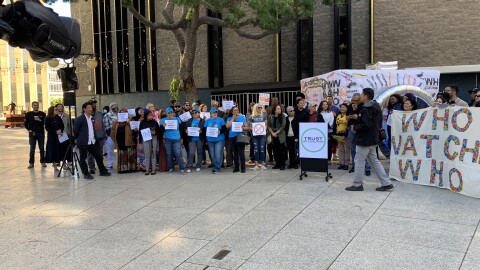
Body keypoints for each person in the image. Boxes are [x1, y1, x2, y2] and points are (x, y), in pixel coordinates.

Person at [346, 88, 393, 192]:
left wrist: (355, 127)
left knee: (359, 161)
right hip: (373, 139)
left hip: (364, 140)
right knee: (374, 161)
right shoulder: (376, 106)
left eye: (362, 94)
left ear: (366, 96)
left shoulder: (366, 108)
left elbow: (366, 125)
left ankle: (357, 184)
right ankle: (386, 182)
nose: (361, 96)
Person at [73, 102, 111, 180]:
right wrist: (79, 139)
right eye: (89, 107)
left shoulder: (92, 118)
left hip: (93, 141)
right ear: (84, 109)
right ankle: (86, 173)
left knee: (99, 156)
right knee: (83, 158)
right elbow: (75, 131)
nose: (91, 109)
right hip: (83, 142)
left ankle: (102, 171)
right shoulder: (80, 119)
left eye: (91, 107)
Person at [346, 94, 371, 175]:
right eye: (353, 100)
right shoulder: (350, 106)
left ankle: (367, 168)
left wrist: (356, 115)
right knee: (353, 150)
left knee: (362, 151)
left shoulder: (363, 107)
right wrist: (350, 116)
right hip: (351, 130)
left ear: (360, 100)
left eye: (356, 100)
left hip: (360, 131)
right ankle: (354, 166)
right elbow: (346, 117)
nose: (354, 102)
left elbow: (364, 119)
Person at [110, 108, 137, 173]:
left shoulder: (131, 120)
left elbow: (135, 130)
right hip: (120, 141)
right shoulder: (116, 122)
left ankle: (130, 168)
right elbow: (112, 132)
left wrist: (129, 123)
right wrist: (115, 139)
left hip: (129, 141)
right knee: (122, 155)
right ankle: (122, 169)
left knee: (129, 154)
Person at [160, 107, 185, 174]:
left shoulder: (177, 119)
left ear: (173, 113)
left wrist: (181, 138)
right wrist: (163, 127)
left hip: (177, 139)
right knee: (169, 154)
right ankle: (171, 168)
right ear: (166, 113)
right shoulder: (163, 120)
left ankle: (181, 168)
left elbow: (181, 129)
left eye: (171, 112)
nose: (170, 114)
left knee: (178, 154)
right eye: (168, 113)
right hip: (168, 140)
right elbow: (160, 131)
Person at [226, 106, 249, 173]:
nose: (236, 111)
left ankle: (243, 167)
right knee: (235, 152)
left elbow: (247, 127)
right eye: (234, 110)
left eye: (237, 110)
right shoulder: (229, 118)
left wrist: (243, 128)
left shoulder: (242, 118)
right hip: (232, 137)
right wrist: (233, 119)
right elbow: (227, 126)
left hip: (240, 136)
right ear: (232, 112)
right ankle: (236, 167)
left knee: (241, 152)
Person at [24, 101, 47, 168]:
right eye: (34, 105)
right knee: (32, 149)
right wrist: (29, 129)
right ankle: (31, 163)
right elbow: (25, 124)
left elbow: (45, 123)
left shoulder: (42, 114)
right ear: (32, 106)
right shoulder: (28, 114)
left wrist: (39, 120)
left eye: (37, 105)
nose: (36, 106)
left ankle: (43, 162)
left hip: (40, 133)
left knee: (42, 148)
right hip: (32, 133)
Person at [204, 108, 226, 174]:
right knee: (212, 155)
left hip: (219, 139)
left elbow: (224, 129)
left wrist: (220, 131)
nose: (214, 114)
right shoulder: (207, 121)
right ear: (210, 114)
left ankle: (217, 168)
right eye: (213, 113)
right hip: (210, 140)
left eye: (215, 112)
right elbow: (205, 130)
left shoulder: (221, 120)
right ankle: (216, 166)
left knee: (218, 154)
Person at [87, 100, 107, 174]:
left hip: (100, 136)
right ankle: (91, 167)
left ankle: (101, 166)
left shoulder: (99, 114)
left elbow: (102, 125)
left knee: (100, 152)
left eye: (95, 104)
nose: (94, 105)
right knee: (90, 153)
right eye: (92, 104)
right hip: (91, 137)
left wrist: (104, 134)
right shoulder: (86, 115)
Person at [139, 110, 160, 175]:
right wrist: (140, 142)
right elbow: (140, 132)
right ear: (146, 116)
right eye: (149, 115)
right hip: (146, 139)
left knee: (153, 154)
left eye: (151, 115)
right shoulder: (142, 122)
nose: (150, 116)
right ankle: (147, 169)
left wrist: (155, 132)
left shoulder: (154, 122)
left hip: (154, 139)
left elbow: (158, 131)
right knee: (147, 155)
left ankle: (153, 169)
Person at [185, 108, 205, 173]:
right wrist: (186, 130)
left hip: (200, 139)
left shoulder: (203, 121)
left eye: (195, 113)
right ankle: (189, 166)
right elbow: (186, 128)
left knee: (199, 152)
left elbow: (205, 130)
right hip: (192, 139)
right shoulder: (189, 120)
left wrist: (202, 131)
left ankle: (198, 165)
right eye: (193, 113)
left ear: (199, 113)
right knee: (191, 152)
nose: (194, 114)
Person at [249, 103, 268, 170]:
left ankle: (263, 163)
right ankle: (256, 164)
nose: (260, 109)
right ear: (255, 108)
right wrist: (254, 130)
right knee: (256, 149)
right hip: (255, 136)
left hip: (262, 136)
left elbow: (266, 125)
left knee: (262, 149)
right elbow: (250, 127)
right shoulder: (251, 117)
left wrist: (262, 130)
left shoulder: (264, 115)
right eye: (258, 108)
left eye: (261, 107)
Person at [268, 104, 286, 170]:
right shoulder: (271, 116)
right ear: (275, 110)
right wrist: (272, 133)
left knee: (281, 150)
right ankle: (277, 164)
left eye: (280, 109)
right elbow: (269, 126)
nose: (280, 110)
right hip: (273, 135)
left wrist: (276, 132)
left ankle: (282, 164)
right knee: (275, 150)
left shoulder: (283, 116)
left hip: (280, 134)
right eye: (278, 109)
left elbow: (283, 126)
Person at [333, 103, 350, 170]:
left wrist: (346, 134)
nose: (342, 108)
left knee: (347, 150)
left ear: (347, 108)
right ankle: (341, 163)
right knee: (340, 150)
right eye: (341, 107)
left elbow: (349, 125)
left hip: (346, 135)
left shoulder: (348, 116)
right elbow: (335, 124)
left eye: (344, 107)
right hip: (339, 135)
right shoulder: (338, 115)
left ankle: (346, 164)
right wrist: (335, 133)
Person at [103, 102, 118, 169]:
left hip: (119, 134)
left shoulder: (119, 114)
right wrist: (109, 135)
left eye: (116, 105)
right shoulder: (107, 115)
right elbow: (106, 126)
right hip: (110, 135)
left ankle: (119, 162)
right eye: (113, 105)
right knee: (110, 150)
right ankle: (110, 164)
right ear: (111, 107)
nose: (115, 106)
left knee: (119, 149)